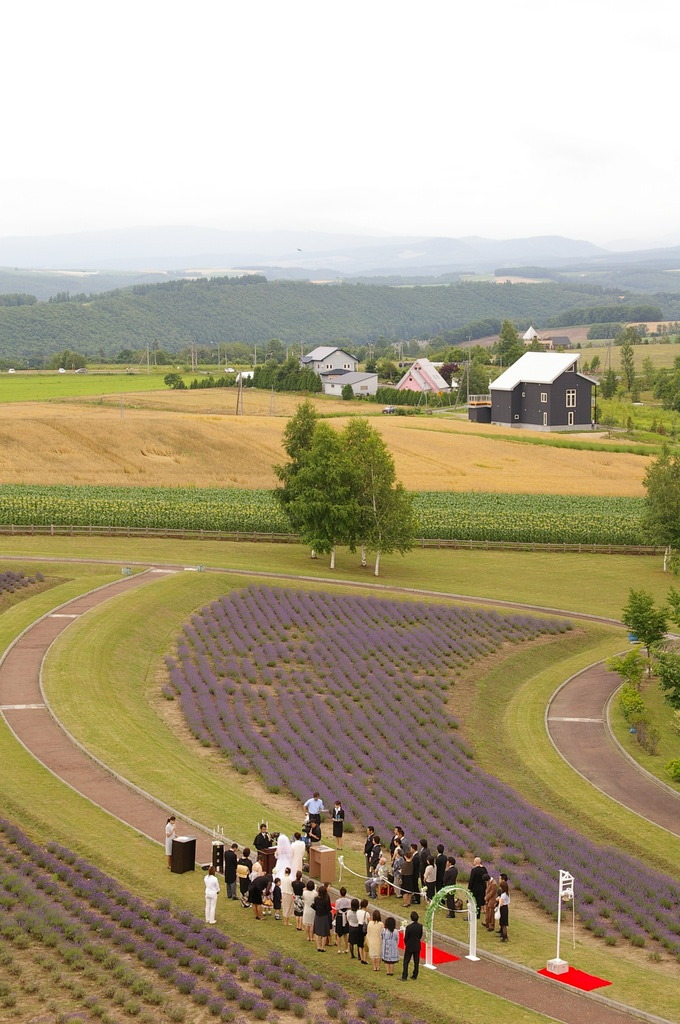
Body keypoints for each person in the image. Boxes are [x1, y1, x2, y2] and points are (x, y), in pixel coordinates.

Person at [401, 911, 423, 981]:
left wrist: (406, 943)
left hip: (410, 946)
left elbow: (406, 937)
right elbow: (420, 936)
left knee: (406, 961)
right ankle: (415, 975)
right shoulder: (420, 926)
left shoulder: (409, 927)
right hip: (417, 946)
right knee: (416, 961)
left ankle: (404, 976)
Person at [312, 884, 332, 951]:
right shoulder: (326, 899)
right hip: (324, 916)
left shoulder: (316, 899)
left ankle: (318, 946)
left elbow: (314, 906)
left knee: (317, 932)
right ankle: (323, 947)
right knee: (324, 932)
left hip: (317, 916)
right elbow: (329, 908)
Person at [334, 886, 351, 954]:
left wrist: (335, 916)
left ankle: (339, 949)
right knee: (345, 934)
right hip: (346, 917)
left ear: (340, 893)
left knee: (339, 934)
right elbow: (349, 909)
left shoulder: (337, 901)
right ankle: (346, 948)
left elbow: (337, 910)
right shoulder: (349, 900)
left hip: (340, 917)